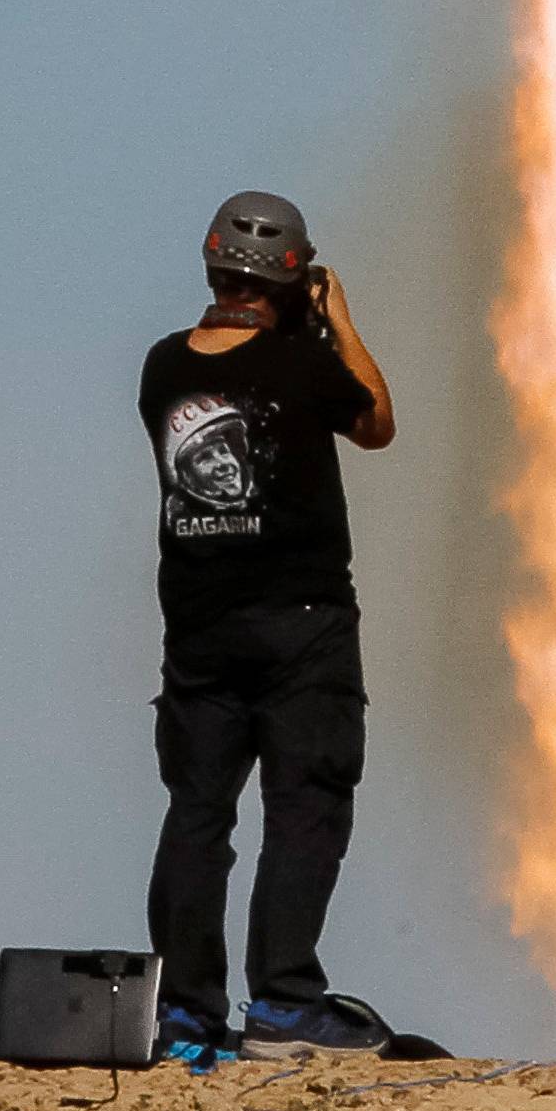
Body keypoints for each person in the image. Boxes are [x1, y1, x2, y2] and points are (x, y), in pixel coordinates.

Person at [139, 192, 395, 1063]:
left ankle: (184, 1008)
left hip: (199, 632)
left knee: (197, 813)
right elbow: (376, 423)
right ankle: (284, 999)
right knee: (306, 807)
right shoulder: (302, 365)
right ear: (293, 279)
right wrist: (339, 323)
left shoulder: (162, 369)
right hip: (304, 626)